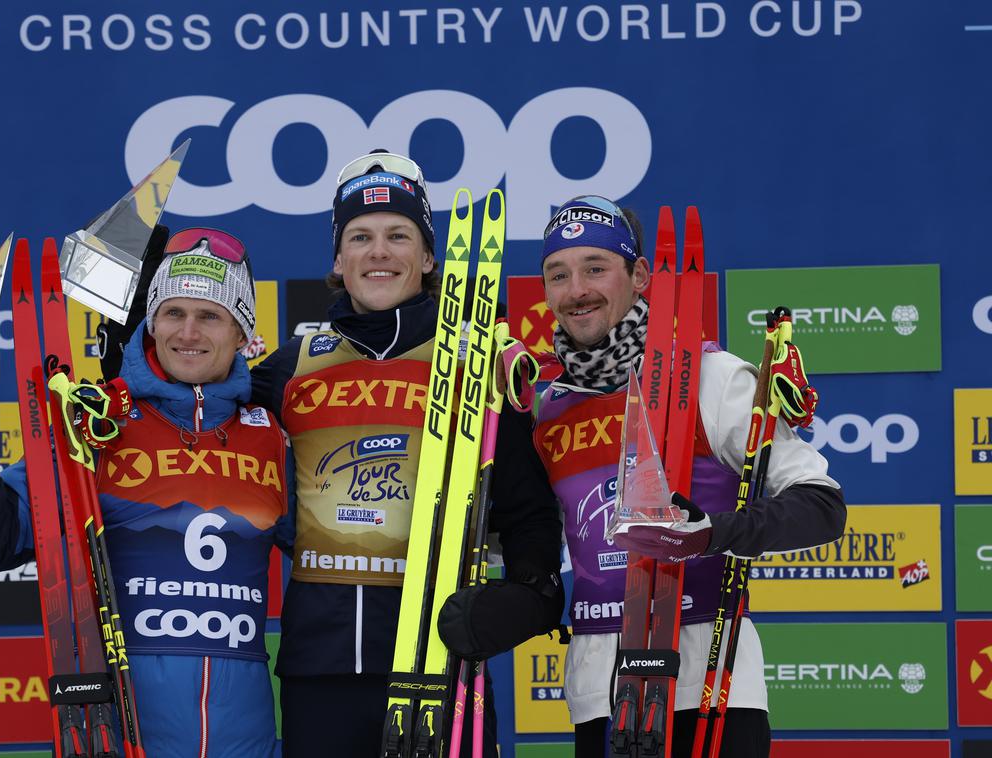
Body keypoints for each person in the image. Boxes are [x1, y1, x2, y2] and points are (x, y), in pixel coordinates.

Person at [249, 151, 565, 757]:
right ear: (338, 261)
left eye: (399, 235)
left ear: (427, 257)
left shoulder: (479, 362)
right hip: (321, 667)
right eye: (360, 237)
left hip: (441, 655)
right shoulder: (291, 366)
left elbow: (527, 509)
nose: (379, 251)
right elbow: (200, 412)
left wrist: (532, 591)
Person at [0, 228, 290, 758]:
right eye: (172, 313)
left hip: (246, 736)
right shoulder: (98, 424)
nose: (188, 332)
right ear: (151, 322)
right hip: (116, 727)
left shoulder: (271, 436)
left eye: (210, 316)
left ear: (242, 333)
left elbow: (329, 550)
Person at [530, 195, 847, 757]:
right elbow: (528, 536)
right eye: (559, 274)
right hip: (599, 695)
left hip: (710, 691)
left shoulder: (708, 376)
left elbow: (821, 505)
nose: (576, 289)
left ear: (642, 275)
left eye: (596, 268)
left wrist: (712, 534)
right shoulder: (547, 406)